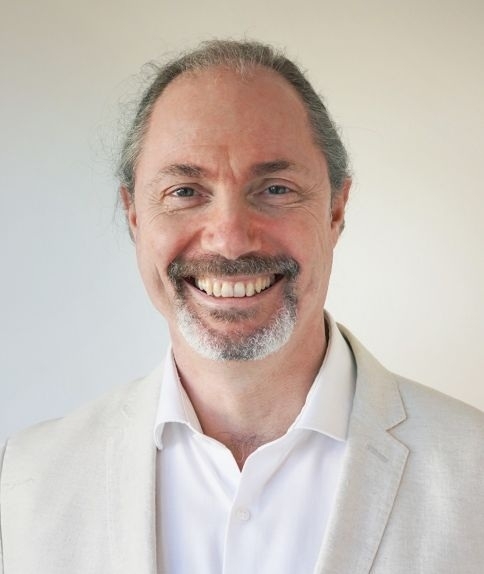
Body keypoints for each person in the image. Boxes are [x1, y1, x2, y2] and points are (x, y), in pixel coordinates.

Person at [0, 40, 483, 574]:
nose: (230, 241)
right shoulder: (25, 481)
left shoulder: (474, 470)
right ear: (134, 215)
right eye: (184, 191)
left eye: (275, 188)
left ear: (336, 210)